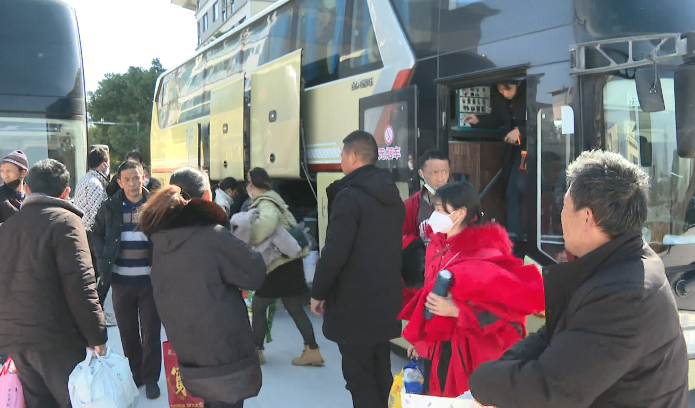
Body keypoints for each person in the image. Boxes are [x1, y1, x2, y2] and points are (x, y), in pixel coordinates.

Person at [469, 150, 689, 408]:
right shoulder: (625, 262)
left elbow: (550, 389)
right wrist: (502, 369)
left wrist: (480, 382)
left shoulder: (626, 294)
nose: (560, 215)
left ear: (586, 217)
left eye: (564, 205)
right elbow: (558, 334)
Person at [399, 181, 544, 397]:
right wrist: (421, 341)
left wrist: (458, 311)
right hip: (438, 350)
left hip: (469, 356)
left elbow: (507, 313)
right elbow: (431, 300)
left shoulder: (485, 254)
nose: (433, 216)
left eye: (439, 210)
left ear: (460, 213)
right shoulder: (437, 246)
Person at [139, 167, 266, 408]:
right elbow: (255, 272)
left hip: (189, 352)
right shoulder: (213, 236)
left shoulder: (161, 238)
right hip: (224, 354)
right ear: (207, 195)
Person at [0, 159, 107, 407]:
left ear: (26, 188)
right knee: (74, 400)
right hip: (56, 338)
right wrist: (96, 335)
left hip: (16, 340)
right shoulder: (66, 222)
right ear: (66, 192)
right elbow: (81, 286)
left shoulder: (7, 227)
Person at [311, 130, 404, 408]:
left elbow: (334, 253)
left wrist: (318, 292)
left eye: (342, 155)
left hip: (354, 304)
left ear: (352, 156)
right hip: (385, 300)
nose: (341, 161)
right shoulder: (391, 194)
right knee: (381, 371)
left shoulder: (350, 197)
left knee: (359, 377)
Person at [92, 160, 162, 400]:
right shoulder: (110, 206)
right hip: (121, 281)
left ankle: (151, 378)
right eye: (127, 179)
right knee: (128, 332)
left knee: (151, 333)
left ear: (144, 177)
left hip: (149, 282)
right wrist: (103, 255)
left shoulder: (154, 204)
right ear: (119, 182)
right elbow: (95, 233)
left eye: (136, 178)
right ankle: (136, 374)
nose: (132, 183)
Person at [246, 167, 323, 367]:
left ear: (253, 184)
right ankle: (313, 350)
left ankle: (256, 352)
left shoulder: (265, 202)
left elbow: (267, 222)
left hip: (277, 265)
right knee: (295, 308)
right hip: (290, 262)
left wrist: (251, 238)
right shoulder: (275, 198)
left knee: (259, 306)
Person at [466, 80, 527, 239]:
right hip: (512, 151)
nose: (504, 93)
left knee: (521, 185)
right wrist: (479, 121)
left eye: (508, 89)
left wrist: (520, 132)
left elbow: (543, 119)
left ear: (518, 84)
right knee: (511, 192)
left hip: (530, 149)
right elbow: (498, 119)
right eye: (500, 90)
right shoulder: (498, 96)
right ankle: (513, 237)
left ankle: (526, 233)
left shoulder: (531, 91)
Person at [73, 146, 118, 327]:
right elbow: (98, 213)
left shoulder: (85, 180)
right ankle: (98, 312)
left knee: (93, 274)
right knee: (103, 273)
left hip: (85, 233)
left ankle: (93, 311)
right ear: (104, 164)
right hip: (93, 234)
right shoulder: (94, 184)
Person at [401, 149, 451, 307]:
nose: (441, 178)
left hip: (452, 277)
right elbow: (402, 241)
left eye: (444, 172)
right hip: (421, 280)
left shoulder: (461, 203)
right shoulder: (410, 206)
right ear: (421, 174)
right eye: (434, 172)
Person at [0, 150, 28, 223]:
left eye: (9, 171)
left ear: (23, 173)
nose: (5, 176)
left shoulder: (33, 195)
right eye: (2, 171)